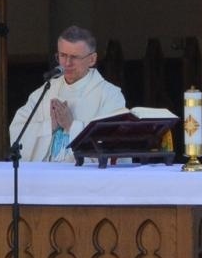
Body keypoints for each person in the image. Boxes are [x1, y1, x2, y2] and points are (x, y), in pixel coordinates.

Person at [8, 25, 126, 162]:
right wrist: (50, 125)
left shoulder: (109, 95)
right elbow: (18, 130)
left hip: (85, 179)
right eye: (62, 55)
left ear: (92, 59)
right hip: (45, 177)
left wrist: (71, 126)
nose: (67, 63)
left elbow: (113, 142)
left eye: (74, 57)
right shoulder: (46, 90)